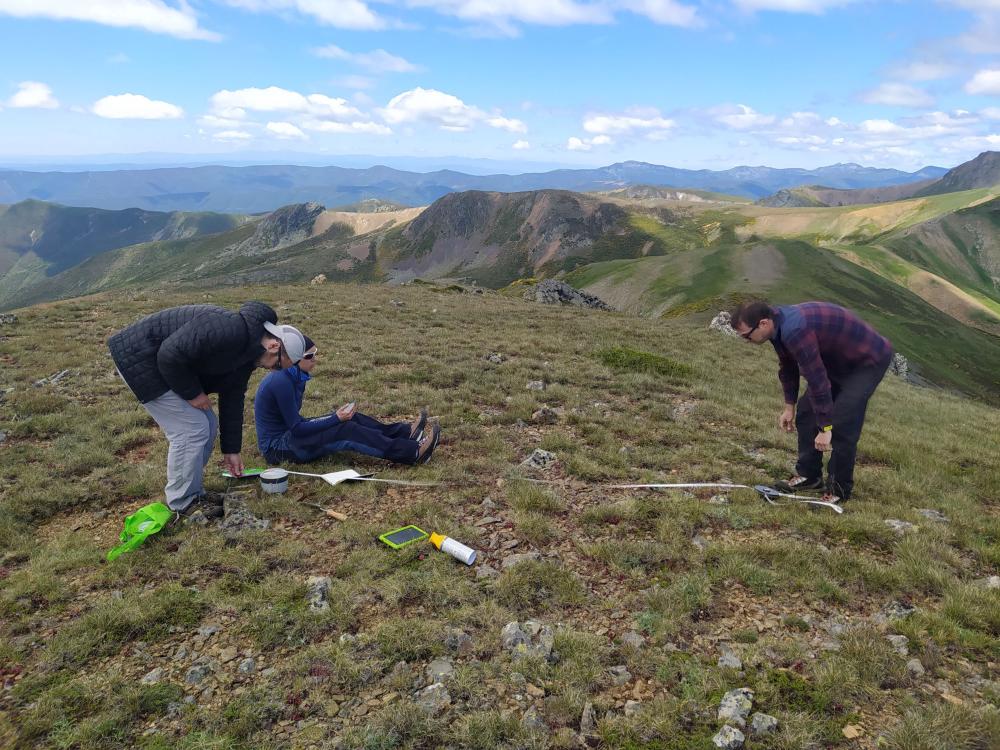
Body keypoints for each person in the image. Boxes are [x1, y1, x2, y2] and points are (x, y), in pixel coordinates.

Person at [108, 302, 305, 518]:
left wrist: (232, 450)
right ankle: (181, 503)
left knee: (208, 424)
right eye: (277, 366)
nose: (270, 369)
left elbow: (232, 398)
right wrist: (193, 393)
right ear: (274, 346)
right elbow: (169, 355)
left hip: (162, 363)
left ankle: (194, 493)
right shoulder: (230, 330)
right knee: (191, 429)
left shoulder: (247, 354)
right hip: (139, 358)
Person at [729, 300, 893, 504]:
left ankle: (839, 490)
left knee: (842, 423)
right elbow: (788, 366)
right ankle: (809, 476)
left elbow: (817, 381)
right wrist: (790, 406)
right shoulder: (776, 326)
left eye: (746, 335)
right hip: (837, 360)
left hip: (867, 362)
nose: (746, 340)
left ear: (763, 323)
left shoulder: (795, 330)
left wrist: (826, 427)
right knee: (806, 414)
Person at [254, 335, 440, 467]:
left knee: (352, 418)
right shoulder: (281, 381)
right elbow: (296, 428)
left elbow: (296, 422)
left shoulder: (296, 376)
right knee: (346, 429)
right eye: (310, 356)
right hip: (278, 449)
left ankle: (406, 432)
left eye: (315, 354)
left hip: (290, 433)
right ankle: (412, 453)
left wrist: (336, 418)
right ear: (294, 358)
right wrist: (335, 419)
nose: (315, 360)